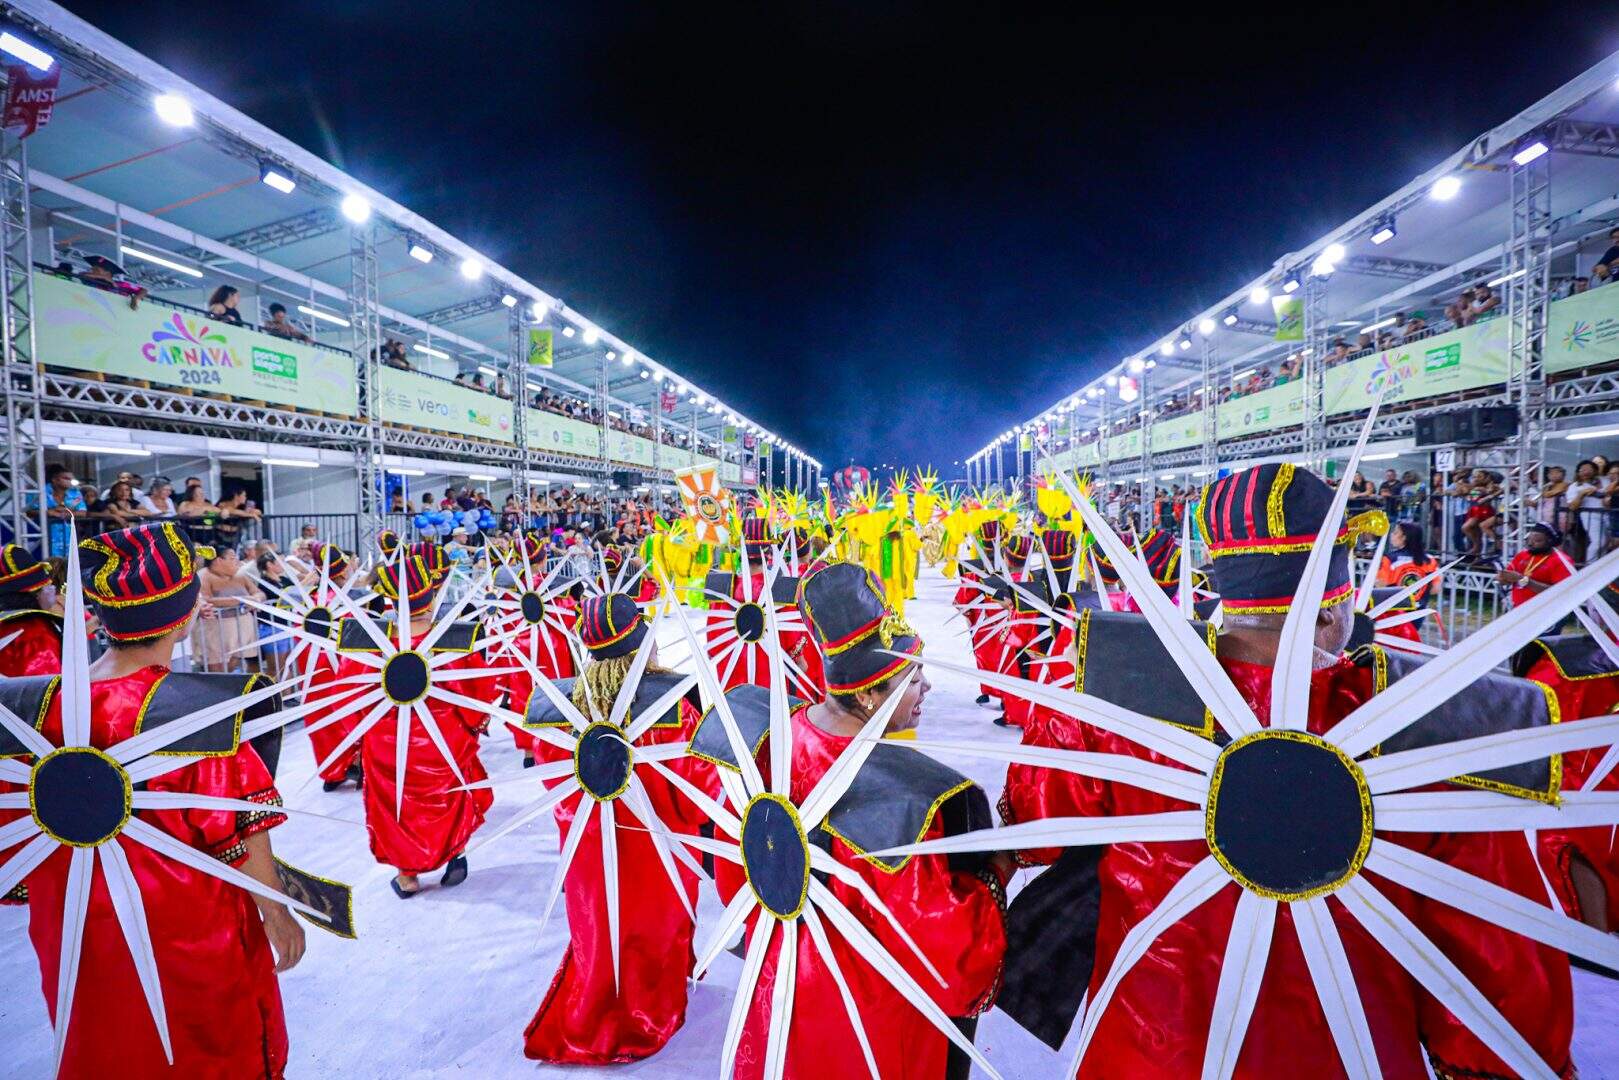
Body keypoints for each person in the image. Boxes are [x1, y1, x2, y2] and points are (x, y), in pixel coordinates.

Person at [997, 462, 1573, 1078]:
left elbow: (1036, 827)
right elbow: (1494, 954)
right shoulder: (1433, 723)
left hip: (1149, 1044)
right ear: (1330, 606)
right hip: (1353, 1051)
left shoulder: (1117, 694)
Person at [0, 522, 304, 1076]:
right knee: (208, 1046)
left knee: (105, 1039)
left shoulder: (31, 709)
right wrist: (277, 912)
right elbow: (241, 830)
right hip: (188, 927)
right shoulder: (195, 715)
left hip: (76, 928)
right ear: (185, 616)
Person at [696, 560, 1009, 1079]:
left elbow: (738, 872)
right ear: (867, 694)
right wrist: (999, 867)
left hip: (784, 975)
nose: (928, 686)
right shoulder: (905, 796)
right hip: (865, 1005)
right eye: (913, 677)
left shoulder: (771, 738)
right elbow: (945, 950)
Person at [521, 592, 713, 1064]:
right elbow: (696, 788)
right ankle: (646, 1014)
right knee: (654, 928)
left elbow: (554, 782)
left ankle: (596, 1007)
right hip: (657, 850)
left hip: (590, 848)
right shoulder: (670, 706)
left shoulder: (561, 709)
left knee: (600, 929)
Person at [335, 552, 492, 897]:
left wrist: (360, 739)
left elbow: (348, 695)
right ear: (431, 598)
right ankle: (455, 855)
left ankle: (407, 875)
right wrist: (474, 725)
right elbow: (476, 690)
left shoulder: (369, 644)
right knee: (449, 795)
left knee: (396, 807)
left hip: (387, 742)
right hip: (443, 739)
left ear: (393, 602)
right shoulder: (451, 641)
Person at [0, 543, 62, 676]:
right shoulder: (36, 632)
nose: (53, 589)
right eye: (47, 586)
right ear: (35, 593)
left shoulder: (4, 624)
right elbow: (48, 681)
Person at [1499, 521, 1576, 611]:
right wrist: (1503, 578)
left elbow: (1560, 592)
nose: (1530, 544)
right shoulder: (1523, 555)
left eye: (1537, 541)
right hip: (1518, 610)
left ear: (1550, 541)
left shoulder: (1562, 561)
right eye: (1529, 539)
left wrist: (1523, 580)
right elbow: (1503, 579)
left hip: (1544, 613)